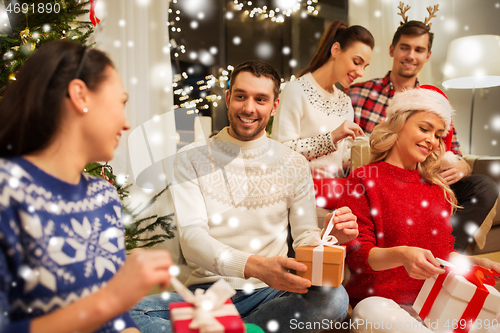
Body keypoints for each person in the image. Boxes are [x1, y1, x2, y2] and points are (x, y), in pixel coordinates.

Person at [130, 60, 359, 333]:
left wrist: (330, 237)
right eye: (241, 96)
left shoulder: (294, 163)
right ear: (228, 98)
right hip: (209, 294)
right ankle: (244, 329)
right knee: (126, 312)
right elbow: (192, 238)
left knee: (335, 300)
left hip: (272, 293)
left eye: (260, 99)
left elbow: (304, 236)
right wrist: (256, 267)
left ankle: (224, 329)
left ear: (274, 106)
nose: (249, 108)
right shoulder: (191, 157)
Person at [0, 41, 173, 333]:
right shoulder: (8, 191)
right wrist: (111, 299)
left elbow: (118, 320)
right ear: (80, 95)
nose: (127, 122)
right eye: (122, 102)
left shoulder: (103, 197)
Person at [339, 85, 500, 333]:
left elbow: (442, 256)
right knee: (368, 312)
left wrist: (476, 263)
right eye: (424, 128)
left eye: (438, 135)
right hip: (383, 304)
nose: (432, 140)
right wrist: (402, 255)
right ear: (399, 124)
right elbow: (360, 258)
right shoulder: (362, 181)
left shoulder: (437, 189)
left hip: (434, 303)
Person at [347, 19, 498, 253]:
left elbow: (452, 151)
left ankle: (446, 255)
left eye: (419, 50)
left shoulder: (435, 102)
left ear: (427, 55)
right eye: (405, 47)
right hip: (384, 184)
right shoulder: (359, 93)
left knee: (484, 186)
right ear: (392, 50)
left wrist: (462, 166)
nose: (411, 55)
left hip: (423, 181)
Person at [271, 20, 374, 225]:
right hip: (297, 207)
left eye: (365, 66)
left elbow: (340, 160)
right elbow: (280, 152)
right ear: (336, 49)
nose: (361, 72)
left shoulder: (345, 102)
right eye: (356, 61)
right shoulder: (296, 90)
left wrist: (368, 149)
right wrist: (332, 137)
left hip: (334, 207)